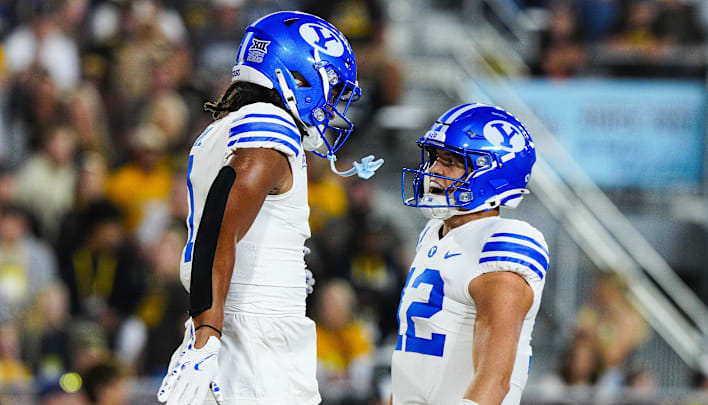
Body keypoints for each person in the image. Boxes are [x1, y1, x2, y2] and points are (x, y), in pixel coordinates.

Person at [157, 10, 382, 405]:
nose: (332, 106)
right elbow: (219, 225)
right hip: (252, 348)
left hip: (235, 335)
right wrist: (208, 333)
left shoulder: (221, 129)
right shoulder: (270, 123)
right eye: (331, 89)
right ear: (299, 75)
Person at [392, 104, 548, 405]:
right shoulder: (435, 233)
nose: (434, 170)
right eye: (436, 158)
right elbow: (409, 366)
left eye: (450, 162)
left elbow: (495, 380)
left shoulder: (500, 245)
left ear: (492, 172)